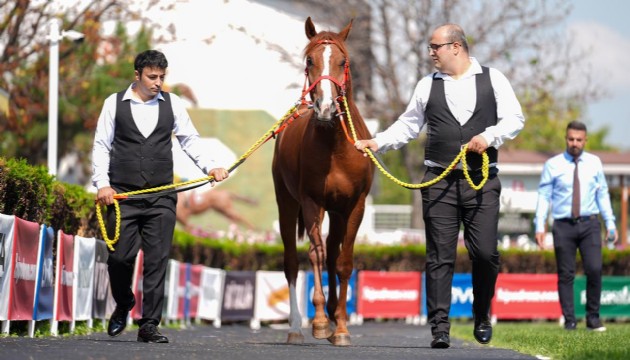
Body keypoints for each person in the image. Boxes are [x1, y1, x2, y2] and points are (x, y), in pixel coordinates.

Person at [354, 24, 524, 348]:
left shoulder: (493, 78)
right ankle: (440, 327)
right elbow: (408, 125)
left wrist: (489, 137)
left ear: (456, 47)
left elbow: (515, 118)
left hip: (482, 180)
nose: (430, 52)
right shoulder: (426, 85)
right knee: (439, 256)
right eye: (430, 47)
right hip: (438, 182)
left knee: (486, 254)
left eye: (435, 46)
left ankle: (482, 312)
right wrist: (378, 142)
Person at [91, 49, 229, 343]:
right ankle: (125, 302)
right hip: (122, 197)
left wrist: (211, 166)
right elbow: (102, 145)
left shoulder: (172, 104)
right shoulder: (114, 104)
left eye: (162, 77)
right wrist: (102, 184)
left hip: (161, 198)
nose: (157, 83)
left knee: (157, 261)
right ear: (137, 75)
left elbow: (190, 139)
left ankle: (149, 324)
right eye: (152, 77)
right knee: (119, 260)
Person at [534, 121, 617, 332]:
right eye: (571, 139)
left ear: (585, 140)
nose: (574, 143)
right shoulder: (553, 164)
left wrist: (610, 223)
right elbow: (544, 196)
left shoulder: (595, 163)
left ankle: (593, 318)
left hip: (589, 223)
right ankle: (570, 320)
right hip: (563, 225)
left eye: (579, 140)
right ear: (566, 139)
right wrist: (539, 225)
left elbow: (602, 193)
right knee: (566, 274)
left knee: (595, 269)